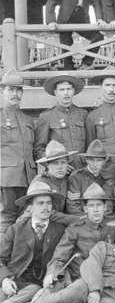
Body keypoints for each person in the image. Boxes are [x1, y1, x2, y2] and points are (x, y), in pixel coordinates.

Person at [0, 181, 66, 303]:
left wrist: (52, 274)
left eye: (48, 203)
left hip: (41, 283)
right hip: (15, 280)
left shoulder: (60, 230)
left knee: (35, 290)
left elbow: (61, 258)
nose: (45, 207)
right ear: (30, 207)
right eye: (40, 203)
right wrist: (5, 279)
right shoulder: (16, 229)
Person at [45, 183, 115, 290]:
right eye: (91, 206)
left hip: (105, 279)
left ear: (105, 207)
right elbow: (60, 256)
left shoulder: (112, 227)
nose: (96, 210)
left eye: (99, 205)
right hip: (80, 279)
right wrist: (51, 273)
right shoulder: (75, 229)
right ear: (85, 208)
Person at [45, 0, 105, 70]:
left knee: (98, 37)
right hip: (65, 20)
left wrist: (99, 18)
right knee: (66, 48)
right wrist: (51, 21)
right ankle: (69, 73)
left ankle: (86, 63)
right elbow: (51, 2)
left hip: (82, 19)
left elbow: (96, 2)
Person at [0, 71, 36, 233]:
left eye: (19, 90)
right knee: (6, 218)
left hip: (28, 178)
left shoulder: (27, 120)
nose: (15, 94)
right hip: (7, 179)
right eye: (11, 89)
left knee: (25, 219)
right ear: (2, 91)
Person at [35, 75, 88, 168]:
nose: (66, 93)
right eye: (62, 90)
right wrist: (55, 165)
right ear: (55, 92)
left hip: (81, 169)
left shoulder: (83, 114)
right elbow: (39, 149)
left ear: (74, 91)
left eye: (69, 89)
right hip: (59, 172)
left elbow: (89, 144)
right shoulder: (46, 116)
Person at [66, 140, 114, 216]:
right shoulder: (76, 177)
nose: (95, 164)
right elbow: (72, 207)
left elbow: (109, 205)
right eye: (92, 160)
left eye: (99, 160)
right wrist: (89, 220)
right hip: (83, 220)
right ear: (86, 160)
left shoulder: (107, 179)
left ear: (104, 161)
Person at [33, 140, 77, 218]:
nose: (60, 167)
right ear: (48, 165)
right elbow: (45, 213)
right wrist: (75, 219)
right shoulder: (40, 182)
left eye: (63, 162)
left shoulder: (70, 179)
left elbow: (73, 207)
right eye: (55, 163)